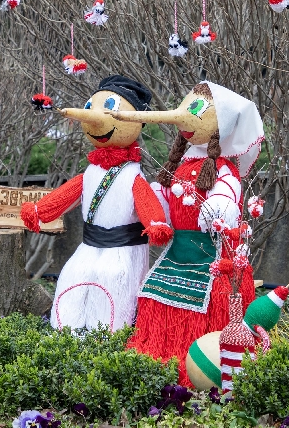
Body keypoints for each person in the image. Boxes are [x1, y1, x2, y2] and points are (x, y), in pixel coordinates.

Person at [109, 81, 264, 385]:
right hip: (177, 248)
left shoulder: (223, 170)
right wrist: (158, 208)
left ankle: (199, 360)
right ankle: (157, 350)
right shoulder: (180, 167)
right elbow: (167, 201)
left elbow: (227, 198)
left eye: (193, 110)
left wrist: (219, 206)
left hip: (212, 253)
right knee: (152, 292)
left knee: (209, 303)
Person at [20, 75, 172, 331]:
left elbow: (146, 202)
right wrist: (40, 211)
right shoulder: (91, 172)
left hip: (122, 249)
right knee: (73, 275)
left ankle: (106, 335)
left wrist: (155, 223)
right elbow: (66, 194)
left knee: (113, 283)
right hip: (89, 245)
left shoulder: (132, 175)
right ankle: (67, 331)